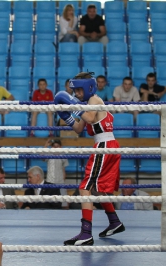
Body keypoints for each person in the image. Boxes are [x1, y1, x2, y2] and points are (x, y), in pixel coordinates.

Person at [54, 71, 125, 246]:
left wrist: (72, 103)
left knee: (85, 188)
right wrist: (67, 116)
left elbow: (91, 117)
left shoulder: (94, 100)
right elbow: (79, 128)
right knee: (97, 190)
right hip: (108, 146)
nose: (76, 94)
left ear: (88, 88)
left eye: (78, 90)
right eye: (75, 91)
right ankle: (114, 222)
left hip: (105, 146)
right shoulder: (88, 104)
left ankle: (86, 233)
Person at [43, 138, 69, 208]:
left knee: (64, 204)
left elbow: (64, 170)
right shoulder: (49, 154)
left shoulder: (63, 156)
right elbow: (42, 157)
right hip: (50, 182)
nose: (56, 148)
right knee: (47, 204)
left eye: (57, 146)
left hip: (60, 182)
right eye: (54, 146)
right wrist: (46, 145)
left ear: (61, 147)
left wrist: (63, 182)